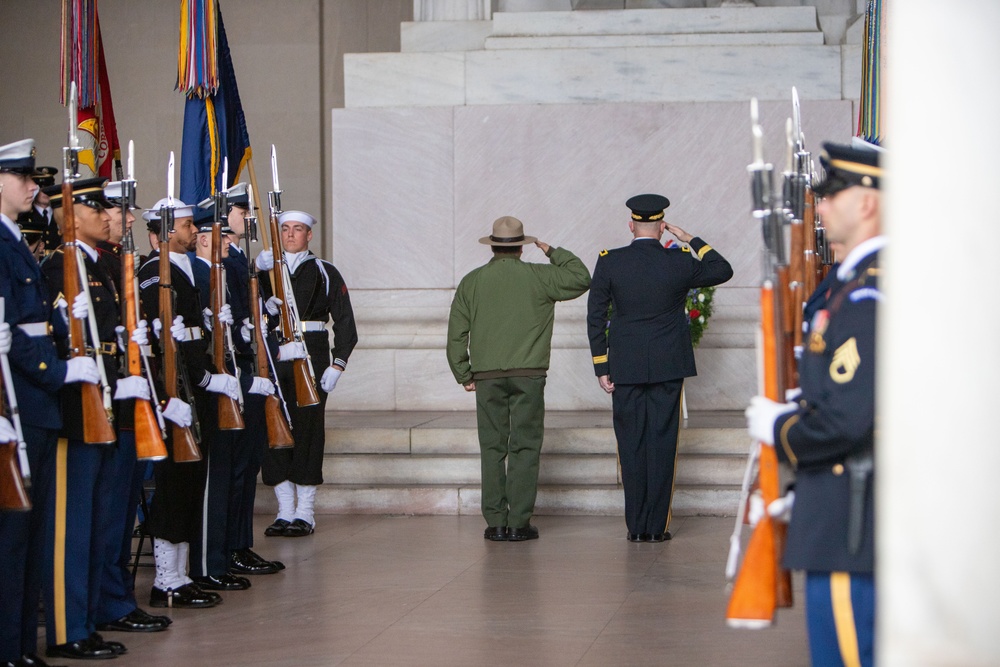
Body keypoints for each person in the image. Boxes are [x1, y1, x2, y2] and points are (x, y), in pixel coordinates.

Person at [745, 141, 883, 667]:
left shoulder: (871, 295)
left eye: (832, 195)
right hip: (840, 505)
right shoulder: (854, 288)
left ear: (867, 203)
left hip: (855, 519)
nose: (819, 207)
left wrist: (783, 428)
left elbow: (850, 418)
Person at [39, 177, 148, 660]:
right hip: (72, 410)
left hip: (102, 402)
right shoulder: (57, 266)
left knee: (98, 520)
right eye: (97, 209)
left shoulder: (95, 268)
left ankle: (89, 616)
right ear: (72, 215)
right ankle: (69, 627)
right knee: (73, 526)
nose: (109, 216)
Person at [586, 194, 733, 542]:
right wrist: (690, 239)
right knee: (662, 443)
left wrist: (601, 365)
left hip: (626, 366)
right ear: (662, 225)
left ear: (631, 224)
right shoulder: (679, 261)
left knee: (631, 444)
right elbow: (722, 269)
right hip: (668, 365)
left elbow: (595, 317)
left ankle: (636, 528)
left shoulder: (610, 262)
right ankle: (657, 528)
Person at [447, 216, 590, 542]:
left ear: (493, 245)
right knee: (525, 446)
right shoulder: (540, 277)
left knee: (492, 446)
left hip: (487, 376)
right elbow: (582, 277)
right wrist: (551, 249)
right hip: (529, 375)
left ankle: (495, 522)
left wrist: (463, 372)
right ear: (522, 247)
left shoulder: (472, 281)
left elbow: (457, 333)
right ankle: (519, 522)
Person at [0, 138, 88, 667]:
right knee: (14, 536)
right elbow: (9, 330)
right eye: (22, 177)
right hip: (20, 400)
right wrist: (55, 371)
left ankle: (18, 646)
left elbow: (27, 320)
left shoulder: (11, 238)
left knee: (28, 534)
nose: (34, 186)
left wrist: (61, 322)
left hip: (32, 401)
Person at [137, 198, 238, 608]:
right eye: (184, 224)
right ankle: (165, 579)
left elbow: (189, 333)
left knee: (191, 480)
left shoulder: (185, 269)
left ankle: (179, 575)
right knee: (174, 484)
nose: (193, 229)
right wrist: (199, 379)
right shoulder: (151, 273)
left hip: (194, 385)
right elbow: (160, 344)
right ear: (163, 231)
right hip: (174, 389)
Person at [92, 180, 174, 636]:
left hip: (129, 407)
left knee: (122, 515)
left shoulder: (115, 265)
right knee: (107, 517)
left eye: (128, 212)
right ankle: (109, 601)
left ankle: (118, 598)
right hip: (109, 408)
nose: (126, 218)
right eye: (117, 211)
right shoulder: (95, 266)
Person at [255, 210, 358, 537]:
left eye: (297, 229)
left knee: (309, 429)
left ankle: (305, 511)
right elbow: (246, 315)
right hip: (274, 354)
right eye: (285, 229)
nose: (289, 235)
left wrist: (337, 363)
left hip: (311, 352)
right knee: (274, 425)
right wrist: (262, 297)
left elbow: (345, 323)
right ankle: (284, 509)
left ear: (309, 235)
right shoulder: (266, 270)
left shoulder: (325, 271)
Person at [217, 185, 284, 574]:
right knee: (239, 465)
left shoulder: (241, 259)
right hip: (241, 370)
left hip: (254, 366)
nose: (248, 216)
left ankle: (240, 542)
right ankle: (230, 545)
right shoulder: (227, 260)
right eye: (242, 210)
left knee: (249, 462)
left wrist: (266, 310)